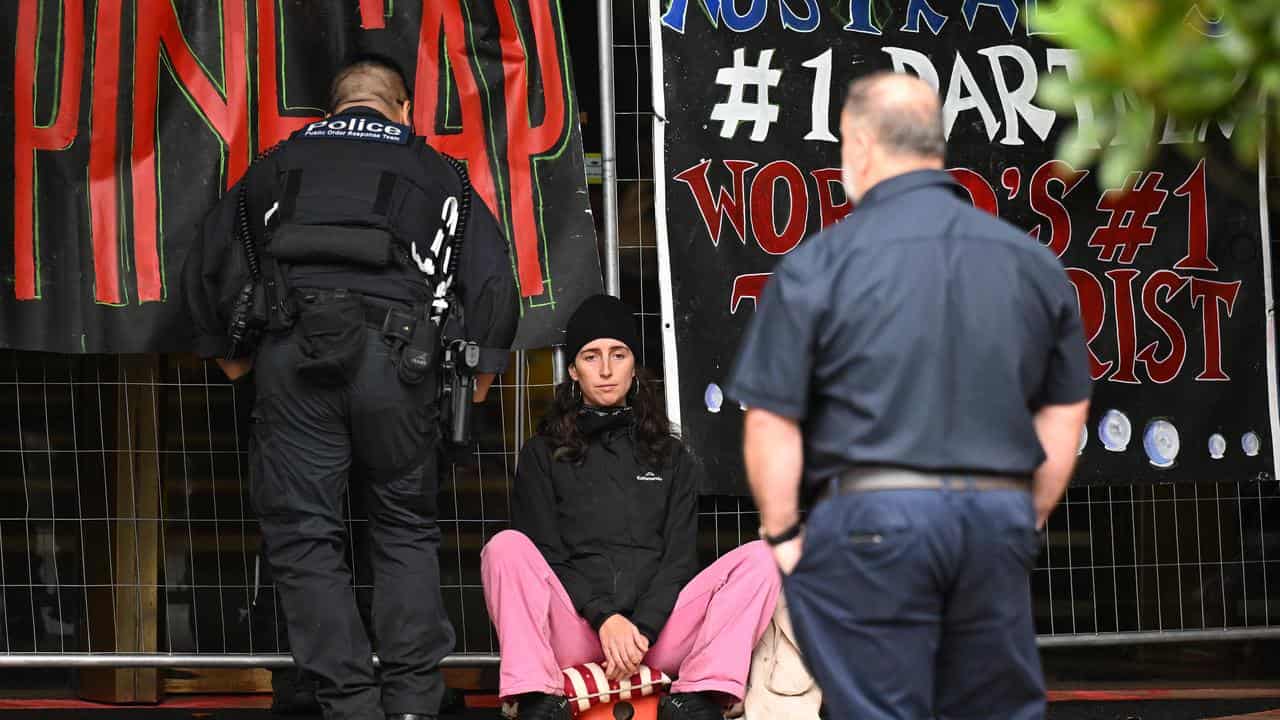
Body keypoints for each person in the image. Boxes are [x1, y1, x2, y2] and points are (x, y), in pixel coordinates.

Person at [729, 72, 1092, 720]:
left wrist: (783, 534)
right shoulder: (1031, 264)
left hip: (871, 521)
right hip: (994, 515)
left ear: (861, 145)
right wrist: (1026, 510)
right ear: (935, 146)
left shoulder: (820, 264)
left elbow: (771, 420)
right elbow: (1065, 408)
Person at [183, 55, 519, 720]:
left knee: (305, 534)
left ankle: (348, 701)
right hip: (400, 364)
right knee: (403, 529)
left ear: (331, 110)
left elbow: (208, 264)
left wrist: (231, 359)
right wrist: (478, 381)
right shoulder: (439, 170)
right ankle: (416, 702)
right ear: (402, 110)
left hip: (293, 359)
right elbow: (491, 284)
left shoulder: (276, 164)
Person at [481, 295, 781, 720]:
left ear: (634, 364)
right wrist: (606, 620)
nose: (605, 370)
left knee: (764, 557)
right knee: (505, 547)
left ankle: (698, 696)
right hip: (579, 630)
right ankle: (536, 698)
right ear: (573, 369)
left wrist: (641, 629)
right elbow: (546, 554)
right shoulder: (542, 453)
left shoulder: (670, 455)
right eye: (591, 356)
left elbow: (679, 560)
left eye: (618, 355)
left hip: (654, 638)